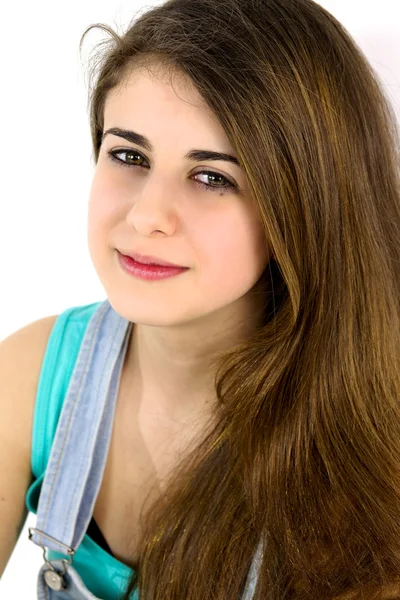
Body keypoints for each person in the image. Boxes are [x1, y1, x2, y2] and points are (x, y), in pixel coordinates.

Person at [1, 0, 400, 597]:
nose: (146, 216)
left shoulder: (371, 451)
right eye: (129, 156)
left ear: (308, 208)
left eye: (212, 177)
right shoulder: (34, 375)